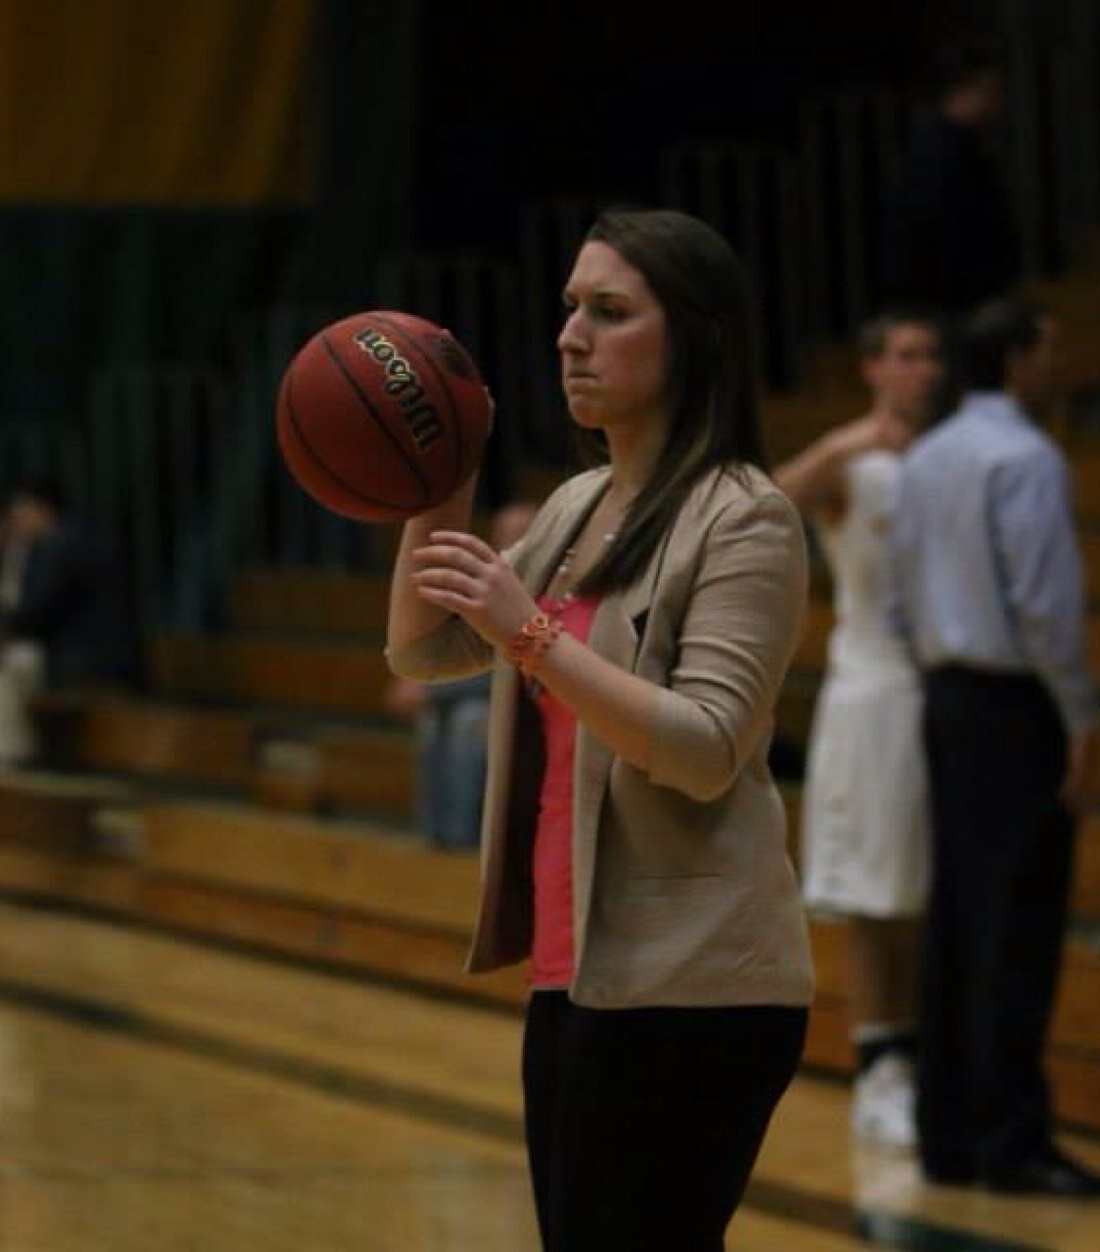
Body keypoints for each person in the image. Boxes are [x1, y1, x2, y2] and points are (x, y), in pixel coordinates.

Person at [386, 208, 813, 1249]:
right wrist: (435, 482)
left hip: (699, 983)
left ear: (696, 338)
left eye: (610, 312)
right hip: (578, 971)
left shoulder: (746, 514)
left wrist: (527, 632)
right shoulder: (578, 505)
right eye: (571, 306)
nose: (570, 334)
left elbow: (706, 747)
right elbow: (424, 650)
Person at [889, 297, 1100, 1195]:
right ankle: (1011, 1140)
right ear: (1017, 358)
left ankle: (948, 1136)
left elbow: (900, 595)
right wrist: (1083, 719)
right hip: (1016, 706)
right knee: (1017, 924)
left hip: (946, 694)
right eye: (1046, 347)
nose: (1055, 363)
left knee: (959, 918)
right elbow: (1048, 609)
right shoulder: (1027, 457)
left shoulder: (927, 456)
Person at [773, 312, 942, 1149]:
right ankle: (882, 1065)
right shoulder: (854, 462)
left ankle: (926, 1057)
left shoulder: (951, 457)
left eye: (931, 356)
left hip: (947, 690)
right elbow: (767, 504)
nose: (923, 371)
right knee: (877, 890)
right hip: (873, 688)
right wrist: (842, 442)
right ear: (874, 368)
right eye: (906, 356)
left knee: (930, 888)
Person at [385, 500, 539, 849]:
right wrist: (421, 681)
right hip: (480, 695)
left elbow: (522, 663)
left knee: (469, 720)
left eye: (520, 536)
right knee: (435, 718)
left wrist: (431, 690)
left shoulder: (554, 587)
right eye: (504, 538)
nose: (509, 548)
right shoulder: (485, 585)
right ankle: (432, 837)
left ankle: (462, 842)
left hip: (534, 703)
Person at [880, 40, 1019, 318]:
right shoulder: (940, 150)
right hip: (949, 304)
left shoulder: (955, 146)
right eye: (995, 89)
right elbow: (934, 231)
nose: (1000, 101)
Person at [4, 478, 137, 691]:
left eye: (21, 510)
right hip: (106, 662)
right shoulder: (75, 537)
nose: (16, 520)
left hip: (89, 668)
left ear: (43, 509)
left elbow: (38, 608)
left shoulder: (62, 548)